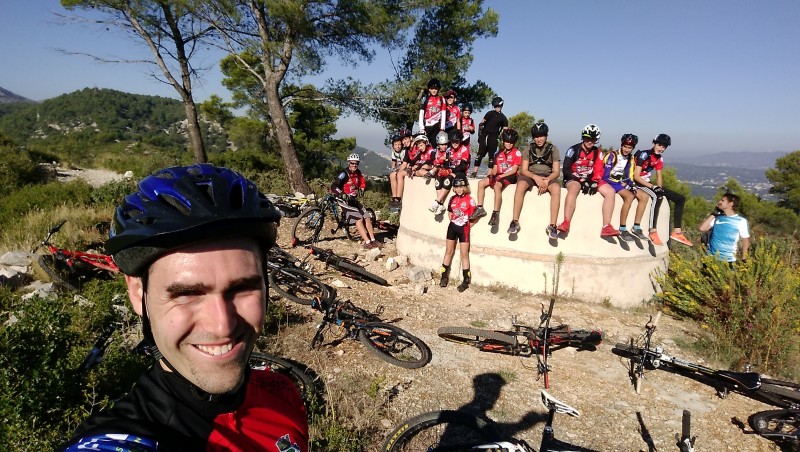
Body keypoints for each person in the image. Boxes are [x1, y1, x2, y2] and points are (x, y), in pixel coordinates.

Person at [63, 164, 308, 451]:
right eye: (186, 294)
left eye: (242, 288)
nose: (222, 326)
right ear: (138, 294)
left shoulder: (282, 392)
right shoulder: (123, 437)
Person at [631, 134, 693, 246]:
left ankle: (677, 232)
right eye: (659, 145)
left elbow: (659, 176)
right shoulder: (644, 155)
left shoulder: (659, 158)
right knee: (657, 197)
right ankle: (652, 230)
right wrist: (653, 187)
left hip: (647, 183)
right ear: (654, 143)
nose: (661, 148)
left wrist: (659, 188)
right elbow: (636, 176)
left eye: (664, 147)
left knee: (680, 199)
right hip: (636, 183)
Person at [508, 122, 561, 236]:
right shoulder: (528, 149)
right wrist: (535, 177)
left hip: (548, 175)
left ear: (546, 136)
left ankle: (552, 225)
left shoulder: (553, 149)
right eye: (536, 137)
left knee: (556, 189)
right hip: (531, 175)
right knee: (520, 185)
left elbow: (557, 171)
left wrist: (546, 180)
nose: (539, 139)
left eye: (541, 136)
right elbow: (524, 170)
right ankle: (515, 221)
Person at [557, 124, 604, 235]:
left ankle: (607, 225)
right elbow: (566, 169)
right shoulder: (573, 150)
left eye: (593, 139)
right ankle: (566, 222)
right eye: (587, 138)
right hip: (572, 178)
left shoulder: (598, 152)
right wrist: (580, 180)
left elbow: (599, 170)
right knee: (574, 187)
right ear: (583, 137)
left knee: (609, 191)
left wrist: (595, 181)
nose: (589, 141)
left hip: (589, 180)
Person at [470, 128, 522, 227]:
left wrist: (500, 176)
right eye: (507, 141)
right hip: (500, 175)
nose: (509, 144)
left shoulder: (516, 153)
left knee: (497, 186)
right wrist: (492, 176)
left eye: (511, 142)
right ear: (503, 141)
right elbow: (495, 168)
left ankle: (495, 213)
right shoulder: (499, 154)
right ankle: (480, 207)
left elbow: (514, 170)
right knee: (481, 183)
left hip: (510, 176)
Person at [331, 153, 381, 249]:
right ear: (349, 163)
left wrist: (362, 188)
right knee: (359, 219)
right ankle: (367, 242)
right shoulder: (344, 173)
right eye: (352, 163)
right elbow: (334, 186)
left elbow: (362, 182)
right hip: (344, 200)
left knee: (367, 216)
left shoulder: (358, 172)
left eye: (356, 163)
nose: (354, 165)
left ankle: (373, 240)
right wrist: (342, 194)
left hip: (353, 199)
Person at [597, 133, 640, 239]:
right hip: (607, 181)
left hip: (617, 182)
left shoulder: (630, 158)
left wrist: (632, 185)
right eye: (625, 146)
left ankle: (625, 227)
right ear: (621, 145)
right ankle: (622, 228)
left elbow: (629, 175)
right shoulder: (612, 155)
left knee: (632, 195)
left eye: (629, 148)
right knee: (629, 196)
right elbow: (605, 175)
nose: (627, 149)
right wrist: (621, 184)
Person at [439, 176, 476, 292]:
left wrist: (469, 224)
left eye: (461, 187)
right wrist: (453, 220)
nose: (459, 189)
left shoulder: (470, 200)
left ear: (465, 187)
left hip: (464, 228)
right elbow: (450, 212)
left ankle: (466, 280)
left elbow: (476, 215)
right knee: (448, 251)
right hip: (452, 227)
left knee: (464, 254)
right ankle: (444, 276)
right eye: (456, 187)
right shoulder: (452, 198)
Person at [698, 192, 750, 263]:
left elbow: (745, 240)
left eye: (722, 200)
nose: (719, 202)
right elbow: (702, 228)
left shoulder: (740, 221)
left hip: (728, 260)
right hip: (710, 258)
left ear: (730, 204)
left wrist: (744, 258)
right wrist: (714, 213)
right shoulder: (717, 217)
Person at [429, 129, 471, 215]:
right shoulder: (449, 150)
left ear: (460, 141)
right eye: (452, 142)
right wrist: (440, 167)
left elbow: (463, 166)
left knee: (448, 179)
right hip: (451, 170)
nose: (454, 144)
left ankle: (437, 202)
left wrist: (450, 171)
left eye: (457, 141)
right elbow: (442, 160)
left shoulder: (464, 149)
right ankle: (441, 204)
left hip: (461, 172)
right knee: (438, 178)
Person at [394, 134, 434, 212]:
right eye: (418, 146)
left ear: (426, 143)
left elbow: (430, 162)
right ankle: (398, 199)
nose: (420, 148)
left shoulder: (431, 151)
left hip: (429, 170)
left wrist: (418, 167)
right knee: (402, 173)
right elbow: (413, 161)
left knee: (421, 170)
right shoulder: (420, 153)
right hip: (419, 170)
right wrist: (410, 168)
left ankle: (426, 175)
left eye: (421, 145)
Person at [472, 96, 508, 178]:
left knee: (492, 156)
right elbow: (481, 124)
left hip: (494, 137)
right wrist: (480, 136)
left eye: (498, 106)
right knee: (480, 155)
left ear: (501, 106)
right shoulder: (489, 113)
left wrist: (503, 140)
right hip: (485, 136)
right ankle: (474, 172)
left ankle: (489, 174)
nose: (497, 108)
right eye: (495, 106)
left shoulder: (503, 118)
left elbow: (505, 131)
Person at [418, 78, 446, 145]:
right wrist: (421, 128)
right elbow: (421, 113)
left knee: (434, 144)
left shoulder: (441, 99)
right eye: (432, 88)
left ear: (438, 89)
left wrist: (442, 128)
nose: (434, 90)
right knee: (425, 144)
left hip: (436, 125)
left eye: (435, 89)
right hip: (427, 125)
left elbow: (443, 113)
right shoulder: (425, 98)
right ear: (429, 89)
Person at [388, 133, 405, 210]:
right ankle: (394, 197)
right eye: (396, 145)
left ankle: (398, 198)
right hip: (399, 168)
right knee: (392, 175)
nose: (397, 146)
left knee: (398, 175)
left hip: (405, 167)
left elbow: (405, 164)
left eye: (399, 144)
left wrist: (397, 170)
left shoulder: (404, 151)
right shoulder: (394, 152)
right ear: (393, 146)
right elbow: (393, 162)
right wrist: (393, 169)